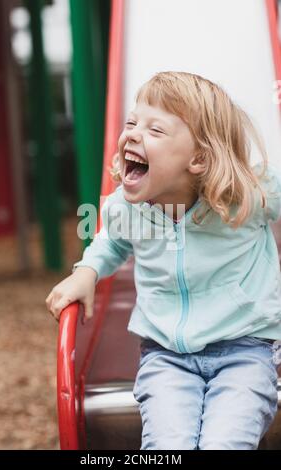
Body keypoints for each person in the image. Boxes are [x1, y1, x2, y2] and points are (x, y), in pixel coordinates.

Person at [46, 71, 281, 450]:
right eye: (132, 123)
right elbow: (111, 242)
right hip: (165, 356)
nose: (134, 134)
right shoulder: (129, 206)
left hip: (244, 351)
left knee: (225, 443)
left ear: (199, 159)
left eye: (155, 131)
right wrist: (87, 271)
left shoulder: (248, 194)